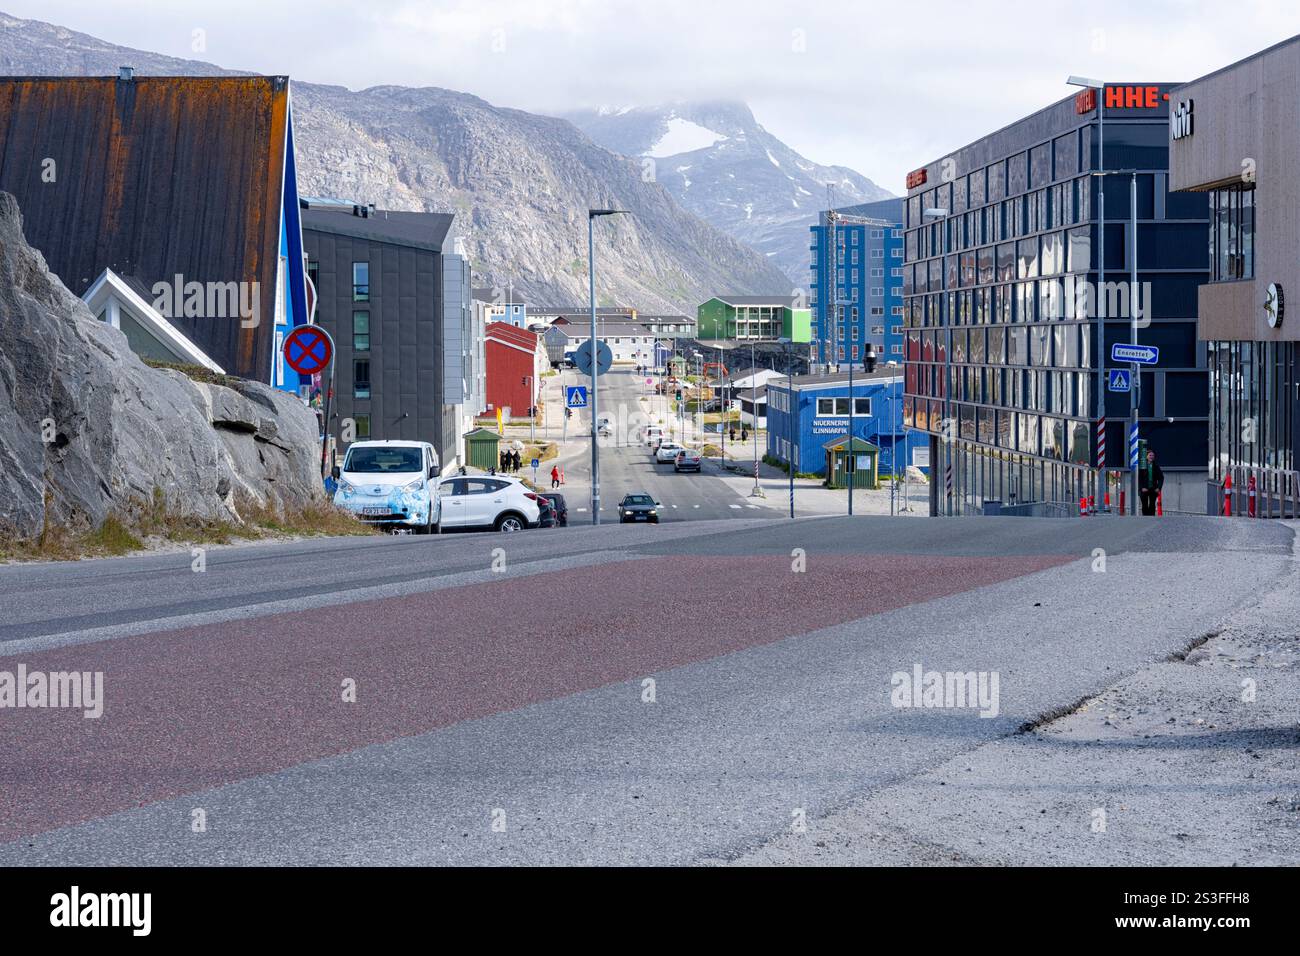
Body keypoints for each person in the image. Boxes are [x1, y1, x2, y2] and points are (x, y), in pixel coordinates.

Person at [1139, 449, 1164, 516]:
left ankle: (1151, 519)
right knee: (1144, 505)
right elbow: (1138, 478)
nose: (1151, 457)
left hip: (1153, 489)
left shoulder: (1156, 467)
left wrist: (1158, 488)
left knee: (1152, 505)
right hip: (1144, 489)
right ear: (1146, 456)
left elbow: (1161, 478)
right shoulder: (1142, 466)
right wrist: (1142, 487)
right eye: (1150, 455)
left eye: (1153, 455)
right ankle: (1145, 519)